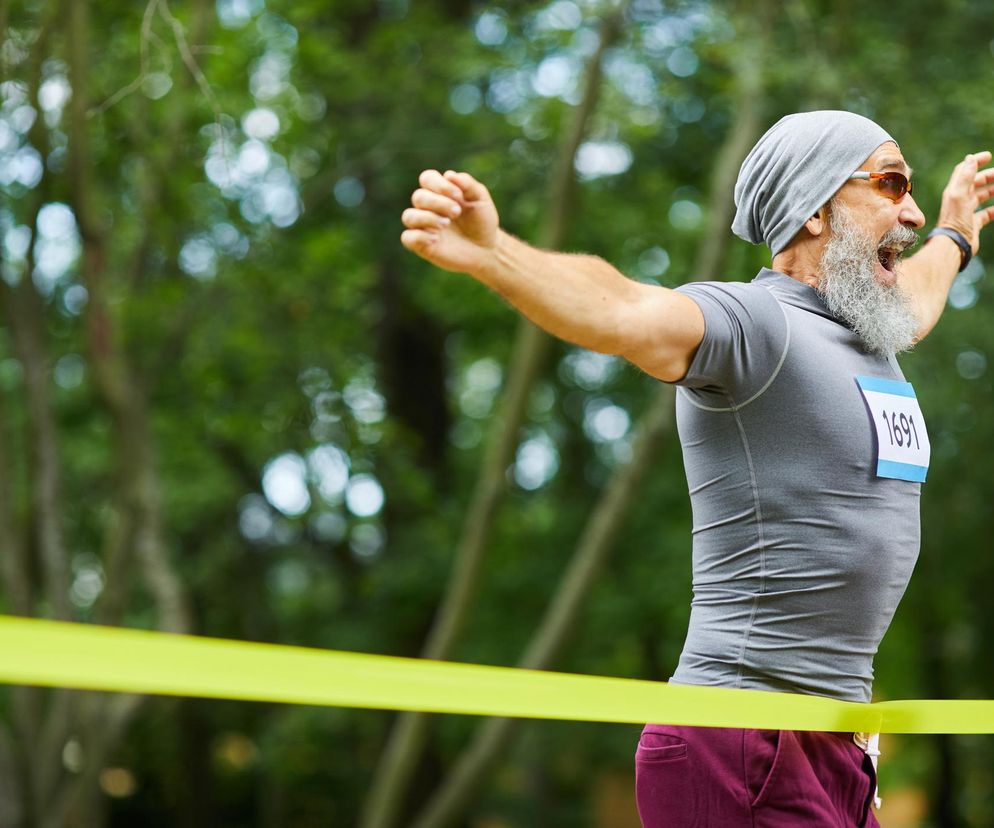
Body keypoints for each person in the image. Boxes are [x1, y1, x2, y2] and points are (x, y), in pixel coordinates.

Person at [399, 110, 994, 827]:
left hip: (833, 749)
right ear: (811, 211)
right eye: (892, 183)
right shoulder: (757, 325)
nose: (912, 208)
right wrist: (496, 253)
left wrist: (955, 237)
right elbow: (625, 311)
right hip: (739, 740)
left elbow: (921, 300)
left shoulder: (872, 332)